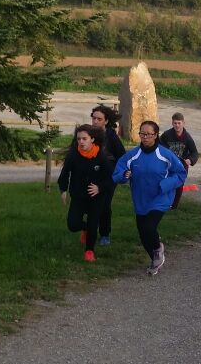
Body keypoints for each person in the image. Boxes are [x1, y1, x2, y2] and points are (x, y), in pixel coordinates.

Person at [112, 120, 187, 275]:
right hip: (141, 199)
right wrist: (124, 175)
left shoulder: (165, 154)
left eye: (149, 134)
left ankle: (158, 249)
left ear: (156, 135)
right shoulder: (132, 155)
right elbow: (117, 173)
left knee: (149, 227)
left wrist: (165, 184)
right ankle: (155, 259)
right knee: (143, 234)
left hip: (161, 197)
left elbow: (180, 173)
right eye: (142, 134)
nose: (145, 137)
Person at [57, 124, 113, 262]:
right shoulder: (73, 155)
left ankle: (89, 251)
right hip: (78, 195)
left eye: (84, 139)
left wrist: (99, 187)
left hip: (96, 197)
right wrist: (63, 190)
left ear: (92, 139)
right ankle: (86, 229)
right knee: (73, 224)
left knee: (93, 223)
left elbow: (111, 178)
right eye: (78, 139)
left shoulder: (101, 157)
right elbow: (65, 173)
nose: (81, 142)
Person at [90, 104, 125, 246]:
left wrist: (117, 173)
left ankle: (104, 234)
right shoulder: (88, 133)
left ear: (106, 121)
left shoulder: (111, 137)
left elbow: (122, 156)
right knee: (89, 204)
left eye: (99, 119)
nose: (95, 121)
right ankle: (88, 229)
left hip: (109, 176)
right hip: (91, 174)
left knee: (104, 205)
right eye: (94, 118)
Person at [159, 112, 199, 209]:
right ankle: (165, 202)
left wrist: (190, 160)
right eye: (175, 123)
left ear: (183, 123)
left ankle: (174, 206)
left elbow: (194, 152)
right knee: (167, 183)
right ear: (172, 123)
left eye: (179, 123)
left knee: (179, 185)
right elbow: (159, 146)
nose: (177, 125)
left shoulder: (187, 137)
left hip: (182, 165)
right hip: (169, 165)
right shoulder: (166, 135)